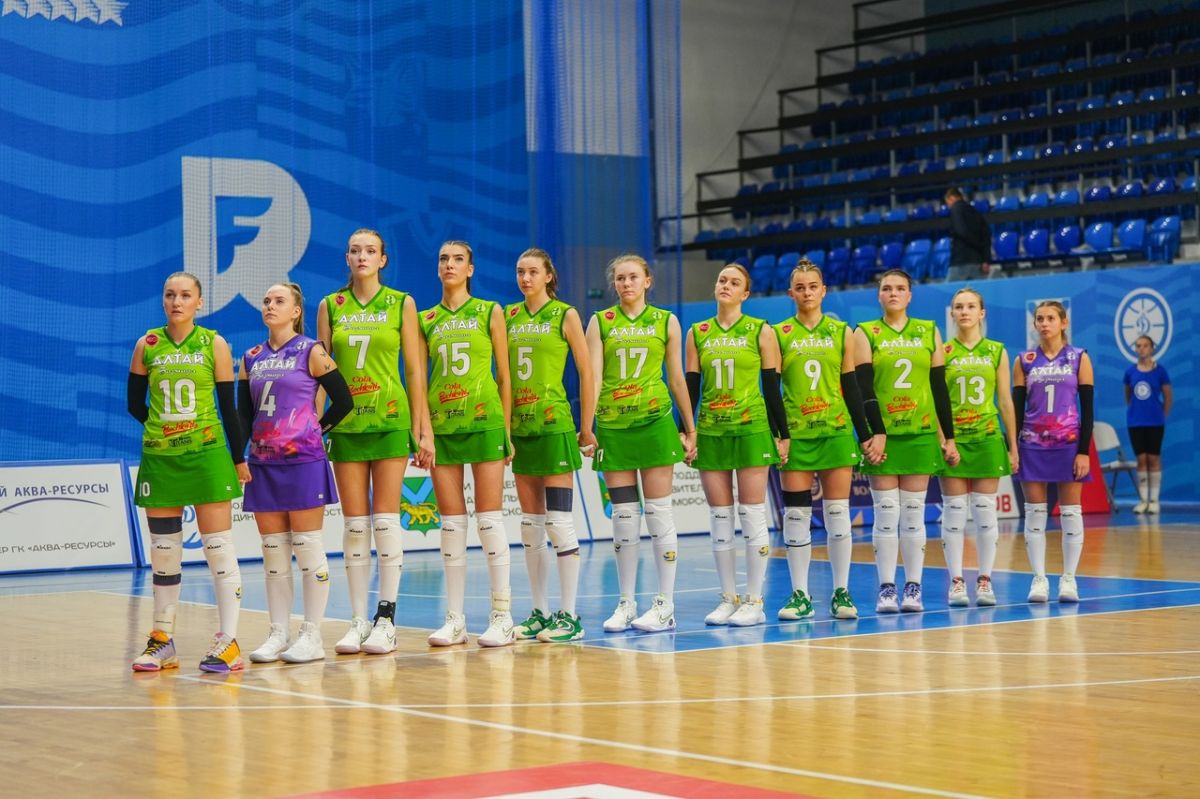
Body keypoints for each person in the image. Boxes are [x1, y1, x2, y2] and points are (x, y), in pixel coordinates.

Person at [317, 229, 433, 656]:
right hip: (346, 426)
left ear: (383, 260)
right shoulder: (331, 305)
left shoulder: (402, 303)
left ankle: (386, 620)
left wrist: (423, 428)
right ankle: (357, 620)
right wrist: (314, 425)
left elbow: (415, 370)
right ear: (346, 258)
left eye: (370, 251)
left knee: (385, 522)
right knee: (354, 526)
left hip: (389, 420)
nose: (362, 256)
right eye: (355, 250)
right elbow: (320, 371)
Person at [128, 272, 250, 673]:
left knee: (218, 549)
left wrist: (238, 458)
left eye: (185, 296)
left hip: (207, 455)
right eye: (170, 295)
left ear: (199, 302)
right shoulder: (146, 345)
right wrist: (164, 431)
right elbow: (135, 404)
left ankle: (228, 642)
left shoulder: (213, 343)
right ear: (163, 301)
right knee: (164, 554)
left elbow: (229, 407)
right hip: (161, 459)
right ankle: (162, 640)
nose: (176, 302)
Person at [239, 284, 354, 663]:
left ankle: (312, 635)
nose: (270, 306)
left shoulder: (311, 350)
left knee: (307, 547)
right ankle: (278, 633)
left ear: (296, 311)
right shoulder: (251, 357)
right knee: (273, 554)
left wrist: (317, 429)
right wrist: (238, 456)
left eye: (279, 301)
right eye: (266, 301)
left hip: (303, 461)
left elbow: (344, 400)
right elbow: (242, 415)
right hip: (263, 463)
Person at [586, 254, 696, 633]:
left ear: (647, 281)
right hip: (613, 426)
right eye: (620, 278)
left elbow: (677, 378)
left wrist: (690, 428)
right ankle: (626, 603)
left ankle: (665, 604)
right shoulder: (600, 321)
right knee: (623, 516)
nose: (626, 283)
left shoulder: (666, 321)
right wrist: (587, 426)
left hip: (654, 423)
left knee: (659, 513)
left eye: (633, 277)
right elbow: (593, 377)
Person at [420, 240, 516, 647]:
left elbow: (505, 376)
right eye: (443, 259)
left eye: (458, 259)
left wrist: (506, 430)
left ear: (470, 269)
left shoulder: (489, 311)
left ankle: (502, 616)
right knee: (451, 523)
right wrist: (423, 431)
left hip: (484, 421)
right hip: (442, 426)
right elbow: (417, 377)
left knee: (489, 519)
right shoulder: (425, 319)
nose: (449, 265)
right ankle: (455, 619)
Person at [773, 259, 877, 621]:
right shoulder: (779, 333)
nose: (807, 293)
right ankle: (800, 594)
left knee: (837, 514)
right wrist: (780, 434)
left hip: (835, 431)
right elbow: (772, 390)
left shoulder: (841, 331)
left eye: (813, 286)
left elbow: (852, 386)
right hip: (797, 434)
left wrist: (865, 434)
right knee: (796, 515)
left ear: (824, 291)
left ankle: (841, 592)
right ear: (791, 293)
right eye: (800, 287)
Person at [854, 269, 960, 613]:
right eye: (887, 288)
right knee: (886, 515)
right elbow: (863, 388)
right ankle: (887, 588)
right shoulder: (865, 332)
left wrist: (949, 437)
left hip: (919, 434)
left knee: (913, 515)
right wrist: (875, 433)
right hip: (883, 438)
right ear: (879, 295)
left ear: (910, 295)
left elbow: (939, 389)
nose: (893, 293)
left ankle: (913, 587)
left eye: (900, 288)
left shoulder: (929, 331)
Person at [685, 264, 785, 628]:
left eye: (734, 282)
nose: (726, 285)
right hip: (712, 429)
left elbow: (772, 387)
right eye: (722, 280)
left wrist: (782, 434)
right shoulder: (697, 332)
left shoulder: (761, 330)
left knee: (752, 513)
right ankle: (728, 597)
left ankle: (754, 600)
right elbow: (691, 385)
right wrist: (687, 430)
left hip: (751, 428)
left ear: (746, 294)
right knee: (720, 517)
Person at [507, 248, 597, 643]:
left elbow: (586, 372)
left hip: (554, 425)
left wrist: (587, 427)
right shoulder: (508, 315)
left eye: (532, 272)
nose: (525, 278)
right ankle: (540, 612)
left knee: (559, 524)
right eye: (520, 272)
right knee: (531, 527)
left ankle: (571, 616)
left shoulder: (565, 314)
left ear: (548, 276)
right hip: (520, 429)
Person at [938, 287, 1019, 607]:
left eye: (971, 306)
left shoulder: (996, 351)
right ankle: (957, 582)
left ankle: (985, 580)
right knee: (954, 514)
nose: (965, 311)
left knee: (985, 513)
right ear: (952, 313)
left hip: (986, 437)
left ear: (981, 313)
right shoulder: (942, 351)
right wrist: (943, 440)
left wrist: (1013, 446)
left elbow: (1006, 401)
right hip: (955, 440)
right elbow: (935, 401)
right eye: (959, 307)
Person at [1014, 300, 1094, 603]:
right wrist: (1014, 448)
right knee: (1035, 514)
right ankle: (1039, 580)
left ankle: (1069, 579)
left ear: (1063, 322)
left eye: (1050, 318)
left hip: (1068, 444)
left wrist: (1083, 451)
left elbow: (1088, 408)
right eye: (1039, 318)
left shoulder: (1079, 357)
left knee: (1071, 512)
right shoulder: (1024, 360)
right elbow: (1016, 409)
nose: (1044, 323)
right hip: (1032, 444)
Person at [1124, 335, 1171, 514]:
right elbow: (1128, 396)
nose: (1141, 349)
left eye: (1145, 345)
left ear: (1152, 348)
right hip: (1135, 423)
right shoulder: (1130, 372)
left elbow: (1168, 397)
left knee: (1153, 459)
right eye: (1138, 346)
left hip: (1155, 422)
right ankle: (1143, 500)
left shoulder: (1160, 372)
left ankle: (1154, 500)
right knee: (1141, 460)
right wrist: (1136, 412)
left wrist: (1160, 415)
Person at [945, 187, 990, 283]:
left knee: (949, 290)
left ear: (952, 198)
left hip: (961, 260)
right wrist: (985, 259)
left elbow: (961, 231)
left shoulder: (956, 209)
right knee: (976, 291)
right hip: (977, 260)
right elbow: (986, 236)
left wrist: (974, 243)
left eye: (947, 202)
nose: (948, 206)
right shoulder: (975, 212)